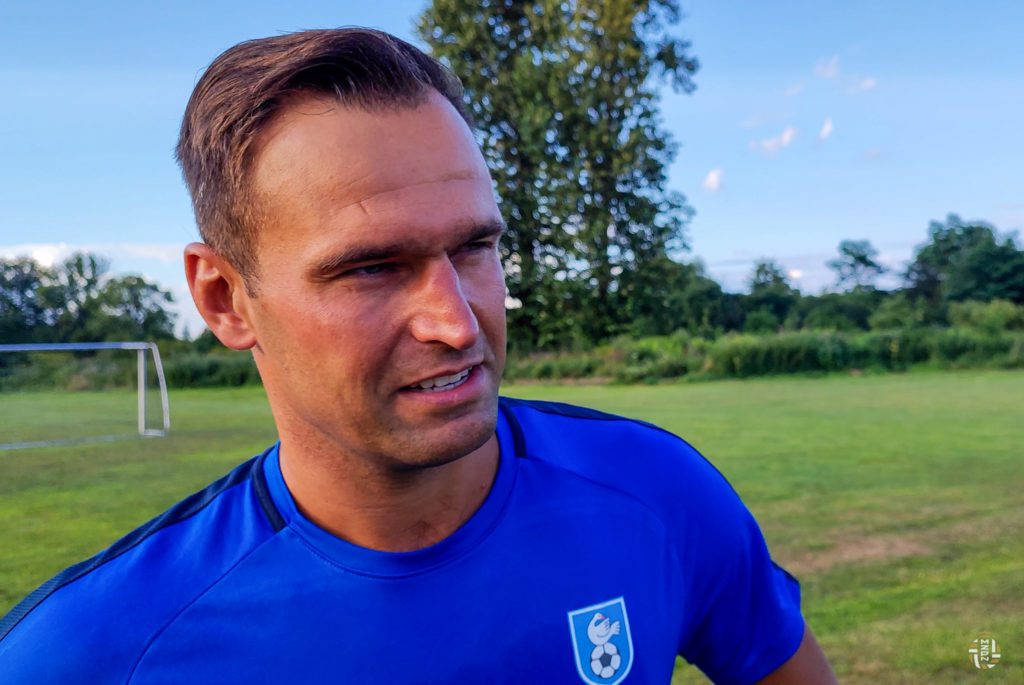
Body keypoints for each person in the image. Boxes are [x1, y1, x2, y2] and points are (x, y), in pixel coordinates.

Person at [0, 28, 835, 684]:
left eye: (473, 247)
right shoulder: (89, 652)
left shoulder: (656, 492)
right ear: (224, 298)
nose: (457, 322)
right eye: (370, 267)